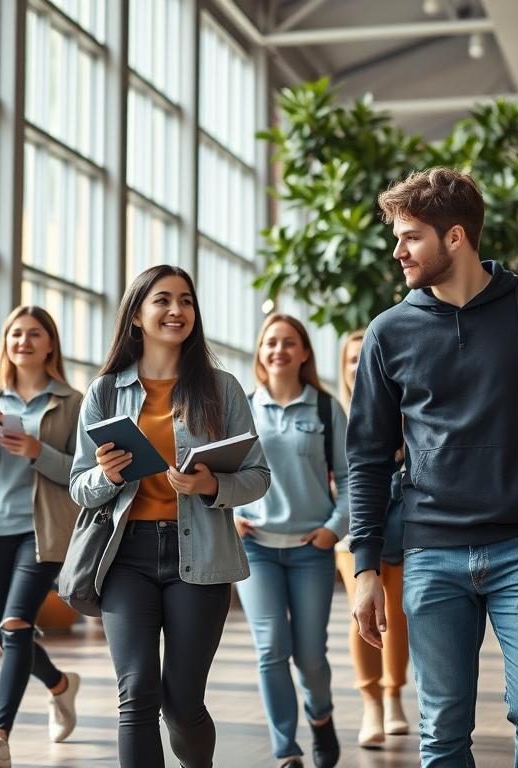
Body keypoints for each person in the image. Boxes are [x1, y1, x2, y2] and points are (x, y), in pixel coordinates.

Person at [345, 167, 518, 768]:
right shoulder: (389, 334)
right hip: (430, 554)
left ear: (456, 237)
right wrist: (366, 566)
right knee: (441, 732)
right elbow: (366, 456)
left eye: (410, 237)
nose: (398, 251)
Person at [69, 264, 271, 768]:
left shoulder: (222, 389)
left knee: (182, 705)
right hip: (126, 557)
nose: (176, 310)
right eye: (162, 300)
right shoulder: (105, 392)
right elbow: (79, 486)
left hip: (200, 558)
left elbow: (258, 476)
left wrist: (211, 485)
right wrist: (109, 478)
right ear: (137, 315)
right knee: (136, 695)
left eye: (186, 300)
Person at [0, 306, 84, 768]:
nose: (24, 342)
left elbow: (83, 474)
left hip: (43, 532)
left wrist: (38, 451)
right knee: (7, 634)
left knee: (14, 626)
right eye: (15, 334)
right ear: (6, 343)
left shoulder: (73, 401)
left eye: (34, 334)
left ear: (50, 343)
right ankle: (60, 685)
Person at [234, 313, 348, 768]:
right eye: (270, 343)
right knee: (270, 647)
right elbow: (219, 471)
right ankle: (286, 750)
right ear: (260, 354)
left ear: (303, 352)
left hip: (309, 549)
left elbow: (352, 477)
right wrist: (232, 514)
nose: (278, 350)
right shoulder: (239, 407)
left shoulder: (325, 408)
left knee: (310, 656)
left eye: (288, 342)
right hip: (255, 548)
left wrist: (333, 529)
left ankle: (320, 717)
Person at [334, 328, 412, 749]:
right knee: (363, 608)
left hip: (403, 516)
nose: (359, 364)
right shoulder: (336, 413)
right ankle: (371, 703)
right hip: (353, 525)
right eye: (351, 358)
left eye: (365, 355)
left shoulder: (402, 403)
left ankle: (394, 693)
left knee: (397, 613)